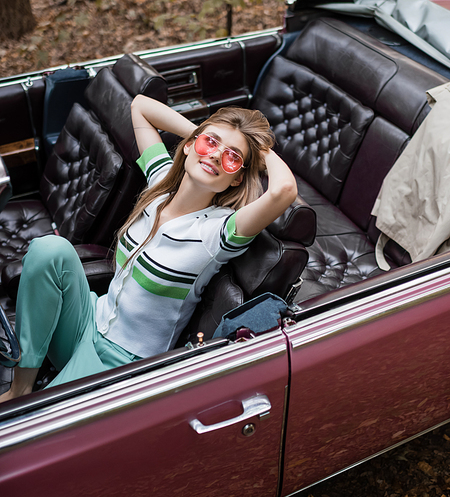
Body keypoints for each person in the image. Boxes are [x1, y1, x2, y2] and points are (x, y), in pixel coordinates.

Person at [0, 97, 297, 402]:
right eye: (210, 143)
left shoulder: (218, 233)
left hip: (119, 363)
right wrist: (204, 140)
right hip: (87, 320)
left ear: (236, 179)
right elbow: (140, 106)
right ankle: (20, 388)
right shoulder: (160, 182)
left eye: (232, 157)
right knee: (50, 249)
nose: (217, 156)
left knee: (30, 428)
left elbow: (284, 190)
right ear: (187, 145)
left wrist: (257, 149)